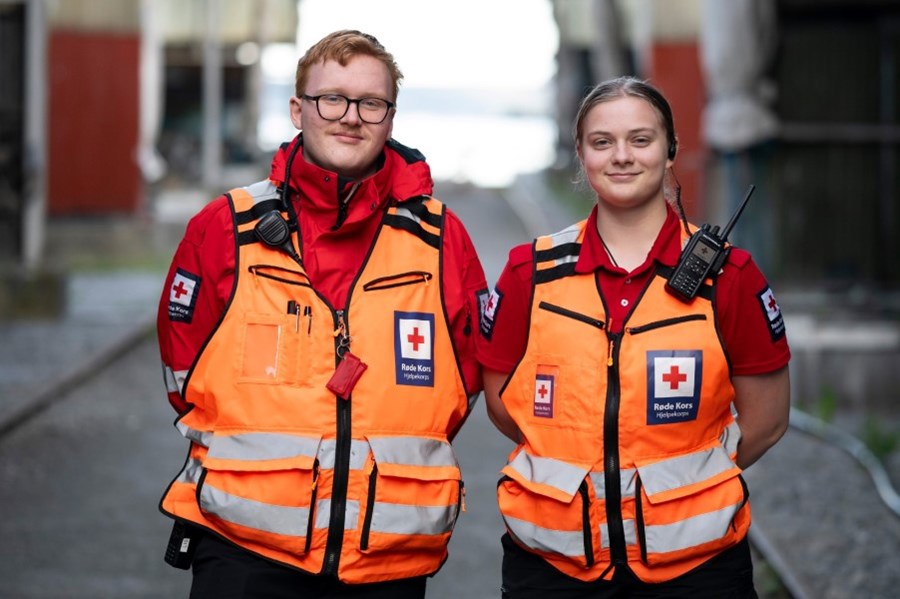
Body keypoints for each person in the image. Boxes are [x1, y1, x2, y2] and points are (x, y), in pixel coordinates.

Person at [156, 30, 487, 598]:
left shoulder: (440, 239)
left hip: (387, 556)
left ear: (390, 118)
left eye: (371, 103)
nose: (350, 117)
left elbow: (464, 382)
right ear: (297, 110)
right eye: (331, 98)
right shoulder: (225, 228)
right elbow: (183, 373)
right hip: (241, 550)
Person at [477, 76, 791, 597]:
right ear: (581, 153)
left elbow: (767, 420)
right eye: (603, 142)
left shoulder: (729, 276)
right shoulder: (529, 272)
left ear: (670, 151)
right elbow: (503, 403)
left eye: (640, 140)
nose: (622, 156)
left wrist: (681, 487)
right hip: (552, 566)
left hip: (697, 569)